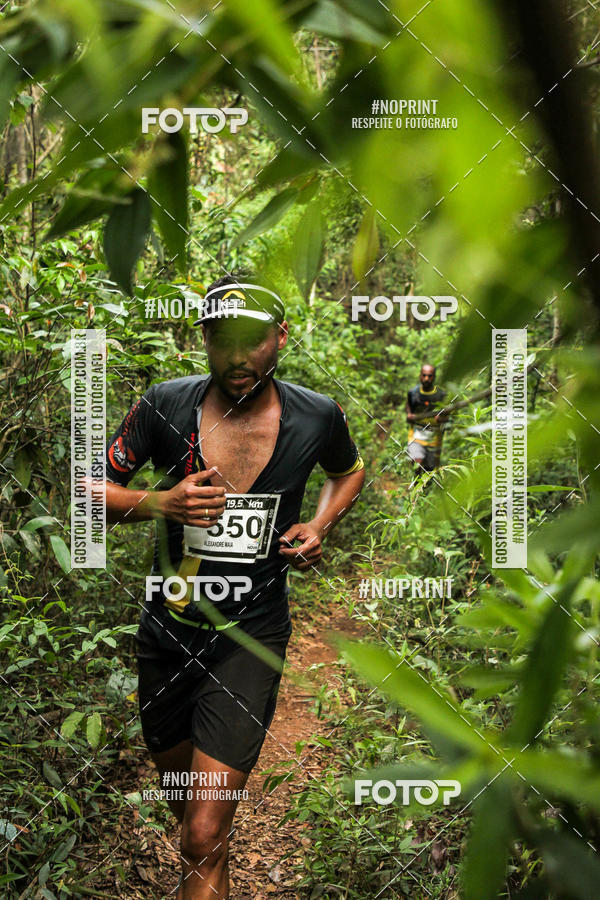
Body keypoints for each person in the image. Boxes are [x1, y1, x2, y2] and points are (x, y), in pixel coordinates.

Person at [103, 275, 365, 898]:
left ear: (280, 338)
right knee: (191, 822)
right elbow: (89, 492)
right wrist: (159, 502)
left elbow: (347, 472)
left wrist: (317, 524)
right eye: (222, 341)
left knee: (200, 833)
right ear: (204, 340)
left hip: (251, 638)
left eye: (254, 342)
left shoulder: (316, 415)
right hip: (166, 638)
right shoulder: (163, 404)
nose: (239, 358)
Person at [406, 364, 447, 474]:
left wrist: (441, 418)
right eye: (424, 375)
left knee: (430, 471)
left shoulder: (441, 394)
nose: (426, 379)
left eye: (430, 376)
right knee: (417, 465)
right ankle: (415, 488)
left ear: (434, 377)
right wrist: (410, 416)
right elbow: (408, 408)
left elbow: (447, 417)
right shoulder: (413, 393)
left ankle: (425, 489)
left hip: (434, 439)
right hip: (416, 436)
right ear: (420, 376)